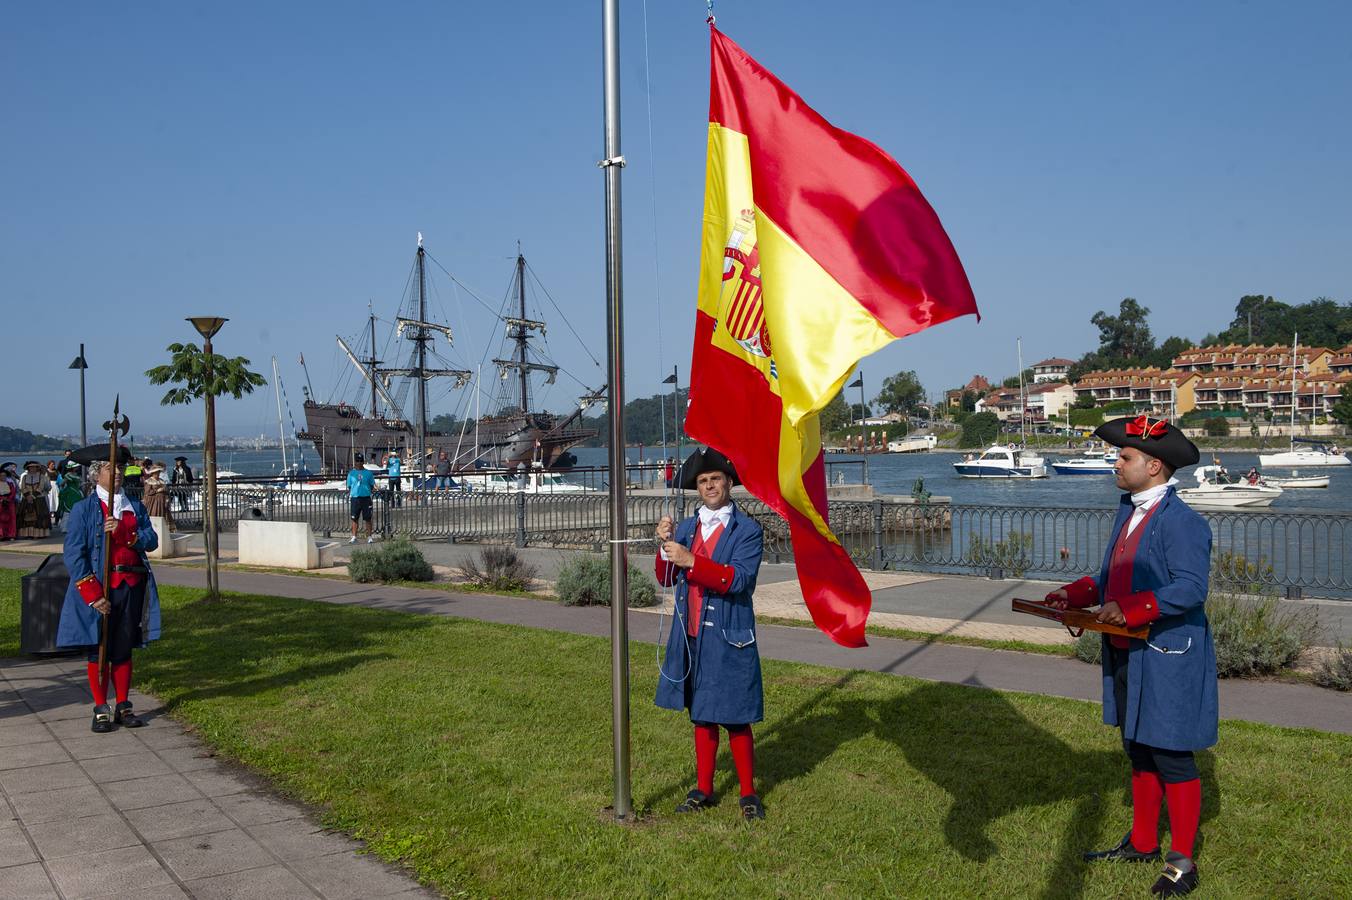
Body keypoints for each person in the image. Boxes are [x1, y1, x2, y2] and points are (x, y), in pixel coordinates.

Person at [1045, 415, 1213, 897]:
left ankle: (1182, 861)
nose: (1115, 463)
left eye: (1125, 457)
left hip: (1167, 652)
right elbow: (1110, 576)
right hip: (1126, 647)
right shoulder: (1128, 509)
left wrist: (1134, 607)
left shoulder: (1183, 522)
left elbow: (1191, 589)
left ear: (1154, 466)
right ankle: (1142, 842)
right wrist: (1075, 593)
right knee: (1137, 744)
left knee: (1171, 753)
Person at [653, 447, 767, 821]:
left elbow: (739, 579)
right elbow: (665, 577)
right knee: (701, 714)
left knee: (735, 714)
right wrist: (664, 546)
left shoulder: (747, 530)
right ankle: (703, 788)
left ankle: (748, 792)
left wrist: (691, 561)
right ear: (697, 488)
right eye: (703, 481)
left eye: (715, 479)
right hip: (690, 632)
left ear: (729, 483)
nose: (709, 486)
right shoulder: (686, 527)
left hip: (730, 632)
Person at [56, 447, 162, 733]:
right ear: (95, 475)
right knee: (99, 648)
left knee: (124, 646)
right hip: (102, 589)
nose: (116, 474)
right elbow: (74, 555)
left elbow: (151, 541)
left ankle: (124, 704)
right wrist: (93, 595)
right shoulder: (84, 509)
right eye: (109, 469)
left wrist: (126, 533)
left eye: (118, 469)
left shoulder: (135, 506)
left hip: (133, 585)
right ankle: (101, 706)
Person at [347, 453, 376, 544]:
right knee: (354, 518)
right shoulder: (351, 473)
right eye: (357, 461)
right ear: (355, 462)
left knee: (368, 518)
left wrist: (366, 491)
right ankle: (354, 536)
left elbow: (372, 485)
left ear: (363, 462)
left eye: (360, 461)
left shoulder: (368, 473)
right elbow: (349, 486)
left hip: (366, 498)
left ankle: (369, 536)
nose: (359, 463)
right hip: (355, 498)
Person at [18, 461, 52, 539]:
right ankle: (27, 534)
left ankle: (39, 534)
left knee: (40, 516)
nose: (32, 468)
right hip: (26, 499)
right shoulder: (25, 477)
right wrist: (27, 496)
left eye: (34, 467)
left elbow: (41, 487)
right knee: (26, 516)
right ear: (28, 468)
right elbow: (22, 487)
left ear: (37, 468)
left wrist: (33, 496)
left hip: (39, 498)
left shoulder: (41, 476)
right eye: (30, 467)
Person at [141, 462, 172, 528]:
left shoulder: (161, 481)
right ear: (153, 473)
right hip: (153, 502)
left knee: (163, 515)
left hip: (162, 501)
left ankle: (163, 530)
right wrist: (157, 490)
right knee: (154, 514)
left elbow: (166, 490)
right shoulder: (149, 481)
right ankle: (154, 528)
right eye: (156, 473)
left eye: (159, 472)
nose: (158, 474)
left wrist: (166, 496)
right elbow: (147, 492)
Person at [0, 463, 18, 541]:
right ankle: (2, 534)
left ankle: (11, 534)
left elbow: (13, 492)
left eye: (4, 475)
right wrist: (2, 499)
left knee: (11, 519)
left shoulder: (10, 484)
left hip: (10, 503)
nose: (3, 477)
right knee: (1, 520)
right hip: (0, 503)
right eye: (1, 476)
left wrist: (8, 499)